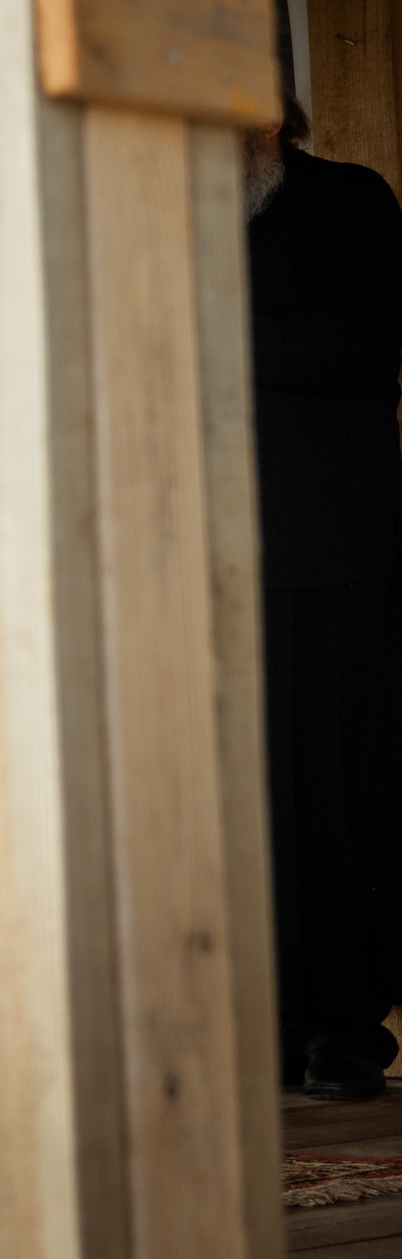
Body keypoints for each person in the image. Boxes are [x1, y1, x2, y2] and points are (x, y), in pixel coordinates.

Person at [244, 99, 402, 1100]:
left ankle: (344, 1031)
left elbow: (350, 352)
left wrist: (183, 320)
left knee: (338, 795)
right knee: (240, 803)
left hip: (329, 554)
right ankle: (258, 1023)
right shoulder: (159, 221)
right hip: (191, 562)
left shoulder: (345, 201)